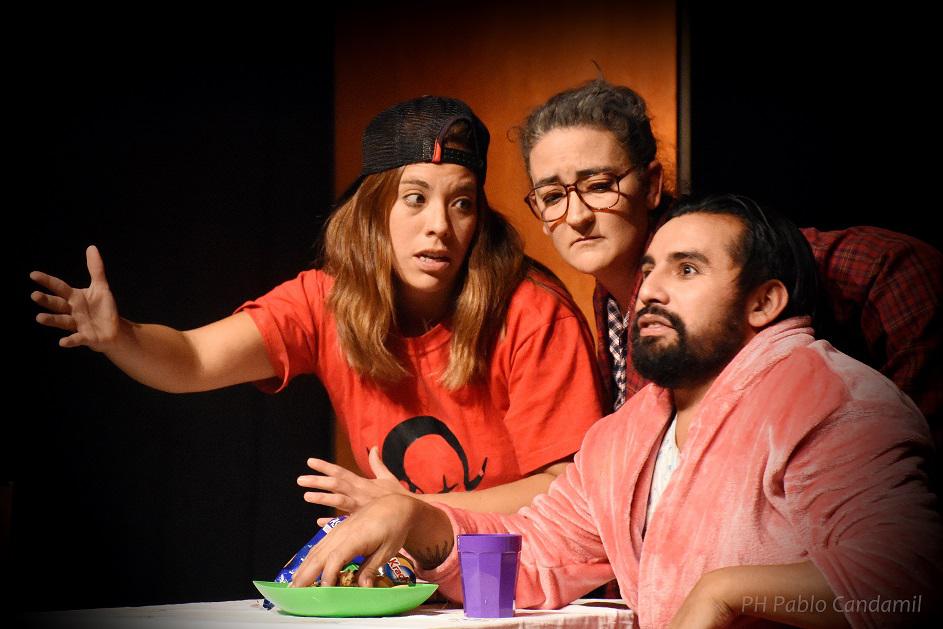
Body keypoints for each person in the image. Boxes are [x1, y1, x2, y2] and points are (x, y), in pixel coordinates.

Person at [290, 194, 942, 628]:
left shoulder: (830, 397)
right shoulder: (626, 435)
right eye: (650, 269)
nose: (650, 289)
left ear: (763, 302)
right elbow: (540, 549)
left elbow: (906, 587)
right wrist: (417, 520)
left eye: (687, 270)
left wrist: (724, 591)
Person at [29, 96, 604, 514]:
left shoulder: (531, 312)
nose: (440, 225)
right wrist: (121, 337)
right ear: (373, 211)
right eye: (415, 198)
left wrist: (413, 511)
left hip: (519, 579)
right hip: (408, 568)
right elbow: (192, 359)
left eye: (462, 203)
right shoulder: (326, 300)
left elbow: (565, 491)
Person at [519, 80, 943, 445]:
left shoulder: (719, 247)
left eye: (598, 185)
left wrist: (898, 449)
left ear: (651, 186)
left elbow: (892, 262)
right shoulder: (609, 304)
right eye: (552, 197)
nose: (577, 216)